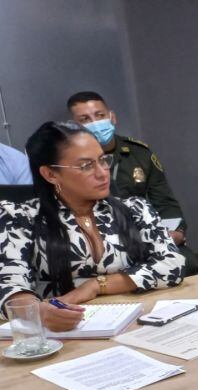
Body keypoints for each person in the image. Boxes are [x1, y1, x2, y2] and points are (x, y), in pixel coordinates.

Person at [0, 122, 184, 331]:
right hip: (64, 332)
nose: (103, 172)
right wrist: (37, 312)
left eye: (103, 160)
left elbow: (172, 264)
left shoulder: (135, 208)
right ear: (51, 174)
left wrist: (96, 286)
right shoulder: (20, 217)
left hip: (136, 323)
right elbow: (10, 285)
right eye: (86, 165)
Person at [67, 91, 198, 275]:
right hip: (100, 241)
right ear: (74, 126)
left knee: (188, 262)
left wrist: (176, 231)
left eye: (100, 116)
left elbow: (164, 201)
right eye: (85, 119)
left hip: (146, 235)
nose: (95, 123)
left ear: (112, 117)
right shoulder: (69, 163)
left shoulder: (140, 153)